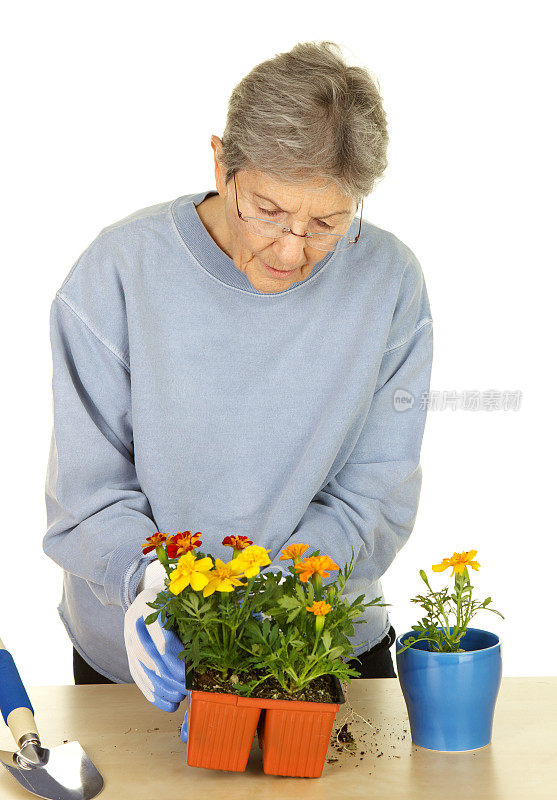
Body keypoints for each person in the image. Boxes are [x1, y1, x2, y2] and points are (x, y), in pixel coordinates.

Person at [44, 41, 433, 704]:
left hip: (317, 646)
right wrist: (150, 588)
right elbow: (87, 493)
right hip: (142, 656)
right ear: (222, 163)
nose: (290, 248)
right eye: (268, 211)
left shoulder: (388, 282)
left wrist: (283, 590)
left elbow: (375, 490)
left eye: (326, 223)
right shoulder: (118, 272)